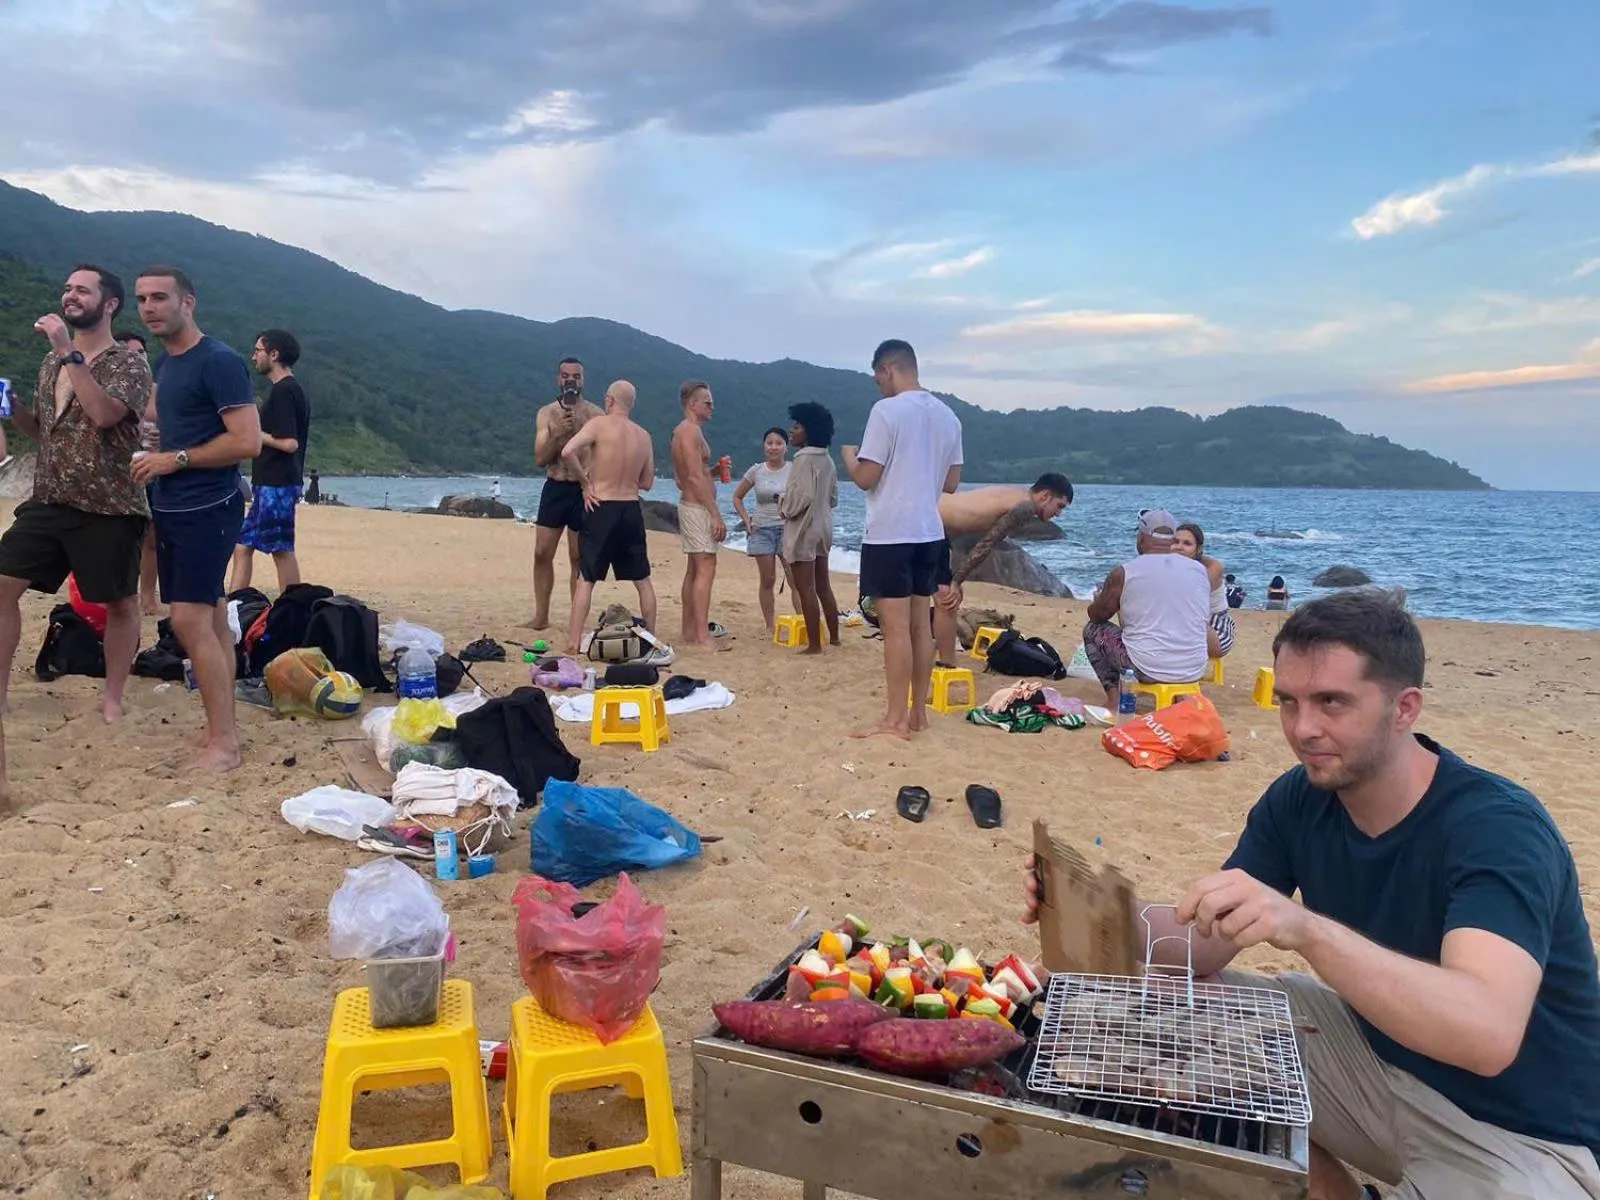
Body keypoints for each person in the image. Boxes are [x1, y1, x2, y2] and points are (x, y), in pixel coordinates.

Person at [1025, 591, 1600, 1200]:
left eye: (1332, 703)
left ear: (1405, 709)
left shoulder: (1496, 829)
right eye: (1289, 703)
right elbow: (1204, 947)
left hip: (1524, 1135)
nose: (1303, 730)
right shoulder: (1300, 799)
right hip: (1375, 1067)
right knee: (1161, 1004)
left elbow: (1486, 1034)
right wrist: (1098, 907)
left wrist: (1305, 928)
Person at [0, 264, 152, 723]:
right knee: (3, 587)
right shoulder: (51, 364)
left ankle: (112, 698)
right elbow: (45, 432)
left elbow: (104, 415)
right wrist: (12, 409)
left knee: (120, 603)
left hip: (108, 506)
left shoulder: (130, 363)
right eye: (67, 288)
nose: (70, 296)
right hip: (49, 499)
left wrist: (68, 351)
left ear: (109, 304)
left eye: (82, 291)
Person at [131, 267, 262, 772]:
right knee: (209, 617)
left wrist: (175, 459)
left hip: (206, 506)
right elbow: (182, 428)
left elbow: (246, 441)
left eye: (160, 297)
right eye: (142, 298)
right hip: (174, 503)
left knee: (186, 619)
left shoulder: (220, 361)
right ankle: (222, 731)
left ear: (188, 302)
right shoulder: (167, 363)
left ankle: (224, 745)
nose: (149, 307)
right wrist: (162, 447)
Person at [842, 339, 962, 740]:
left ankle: (894, 720)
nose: (878, 385)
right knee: (919, 629)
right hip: (930, 532)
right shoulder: (948, 416)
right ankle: (917, 714)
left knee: (895, 630)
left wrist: (848, 457)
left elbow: (865, 477)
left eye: (878, 376)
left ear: (888, 369)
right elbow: (951, 482)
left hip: (891, 532)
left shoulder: (887, 411)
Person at [930, 474, 1074, 663]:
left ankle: (941, 654)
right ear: (1045, 496)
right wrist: (957, 580)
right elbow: (987, 544)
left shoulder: (1019, 493)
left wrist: (957, 578)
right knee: (946, 598)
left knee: (944, 598)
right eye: (1059, 506)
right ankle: (946, 662)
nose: (1058, 514)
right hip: (931, 522)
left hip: (936, 521)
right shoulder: (1025, 507)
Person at [558, 380, 657, 654]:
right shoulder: (643, 435)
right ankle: (651, 639)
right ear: (632, 403)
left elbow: (567, 451)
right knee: (643, 579)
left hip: (601, 506)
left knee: (586, 578)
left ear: (609, 400)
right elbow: (647, 482)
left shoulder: (599, 425)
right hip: (630, 508)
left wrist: (585, 484)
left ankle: (574, 641)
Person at [1082, 508, 1210, 711]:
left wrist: (1100, 600)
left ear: (1142, 537)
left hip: (1147, 668)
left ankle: (1115, 698)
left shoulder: (1125, 571)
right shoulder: (1200, 570)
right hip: (1194, 668)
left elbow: (1097, 615)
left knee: (1092, 629)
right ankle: (1179, 697)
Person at [230, 329, 309, 594]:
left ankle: (293, 607)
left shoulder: (285, 391)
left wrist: (257, 435)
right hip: (269, 483)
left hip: (279, 483)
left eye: (258, 351)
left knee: (281, 549)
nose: (253, 357)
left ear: (274, 354)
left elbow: (289, 443)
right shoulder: (287, 390)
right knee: (242, 546)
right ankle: (235, 604)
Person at [531, 357, 602, 629]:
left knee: (578, 557)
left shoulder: (596, 415)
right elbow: (540, 458)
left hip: (582, 490)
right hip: (555, 487)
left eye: (575, 376)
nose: (570, 380)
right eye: (565, 375)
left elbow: (603, 455)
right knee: (541, 553)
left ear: (583, 380)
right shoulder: (546, 414)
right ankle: (541, 616)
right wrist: (558, 434)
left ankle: (577, 620)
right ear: (558, 379)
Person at [778, 402, 839, 654]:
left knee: (805, 588)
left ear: (809, 430)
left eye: (797, 426)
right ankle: (834, 637)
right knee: (824, 586)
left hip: (804, 529)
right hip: (824, 527)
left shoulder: (802, 460)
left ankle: (815, 644)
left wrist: (781, 504)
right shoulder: (828, 460)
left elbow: (797, 501)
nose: (792, 431)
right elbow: (833, 498)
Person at [671, 380, 728, 651]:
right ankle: (702, 635)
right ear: (692, 404)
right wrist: (715, 513)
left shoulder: (687, 432)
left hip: (693, 504)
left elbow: (691, 474)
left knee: (695, 568)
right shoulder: (689, 432)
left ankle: (690, 629)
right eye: (707, 402)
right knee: (705, 567)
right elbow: (691, 477)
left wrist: (714, 471)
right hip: (697, 507)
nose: (711, 406)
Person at [117, 330, 165, 616]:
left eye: (141, 352)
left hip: (153, 468)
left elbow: (178, 423)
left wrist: (167, 439)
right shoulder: (108, 387)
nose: (136, 357)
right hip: (120, 471)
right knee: (120, 536)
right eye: (129, 352)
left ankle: (147, 598)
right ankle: (119, 595)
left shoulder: (158, 389)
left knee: (152, 538)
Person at [732, 426, 793, 633]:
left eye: (778, 443)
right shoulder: (756, 470)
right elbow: (737, 497)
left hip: (788, 530)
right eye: (769, 443)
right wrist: (746, 519)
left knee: (795, 579)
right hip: (762, 530)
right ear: (764, 446)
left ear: (786, 447)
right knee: (768, 580)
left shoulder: (794, 470)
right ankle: (770, 625)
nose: (773, 447)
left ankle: (803, 621)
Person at [1173, 521, 1234, 660]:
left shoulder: (1212, 567)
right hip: (1184, 626)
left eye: (1187, 544)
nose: (1179, 547)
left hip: (1215, 628)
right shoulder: (1169, 565)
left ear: (1198, 549)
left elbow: (1190, 595)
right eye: (1175, 541)